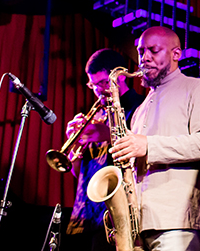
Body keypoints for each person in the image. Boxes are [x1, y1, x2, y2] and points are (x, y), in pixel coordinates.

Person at [109, 26, 200, 251]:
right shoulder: (141, 108)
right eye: (141, 51)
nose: (145, 58)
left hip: (179, 222)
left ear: (176, 54)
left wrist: (148, 145)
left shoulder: (199, 89)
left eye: (153, 50)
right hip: (140, 227)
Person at [64, 48, 145, 251]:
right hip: (86, 215)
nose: (98, 90)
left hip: (118, 215)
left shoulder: (139, 108)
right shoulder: (97, 114)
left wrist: (107, 134)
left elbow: (142, 153)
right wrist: (74, 146)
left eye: (102, 83)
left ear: (120, 77)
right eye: (93, 84)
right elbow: (79, 174)